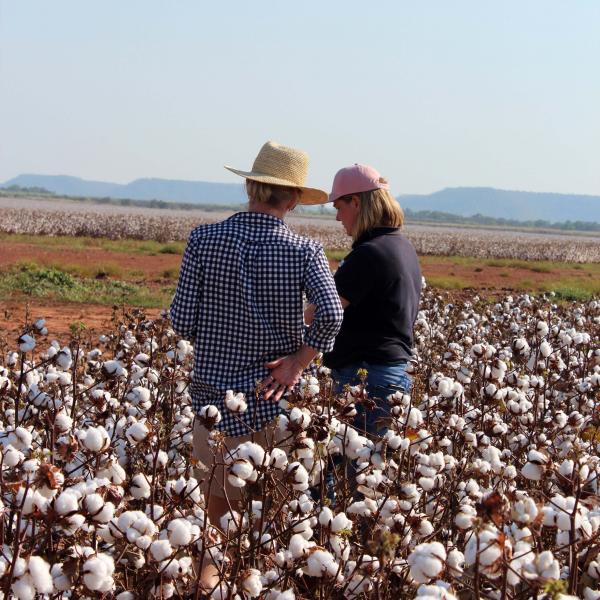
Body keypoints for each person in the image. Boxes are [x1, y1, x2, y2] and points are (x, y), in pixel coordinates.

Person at [169, 141, 343, 543]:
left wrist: (213, 334)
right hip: (273, 402)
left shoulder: (204, 239)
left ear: (250, 188)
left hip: (212, 402)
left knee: (217, 525)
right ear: (295, 200)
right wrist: (297, 363)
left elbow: (180, 319)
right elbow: (332, 313)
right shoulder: (305, 251)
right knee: (270, 523)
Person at [321, 164, 422, 438]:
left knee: (346, 469)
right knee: (370, 471)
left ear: (356, 202)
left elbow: (324, 310)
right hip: (391, 375)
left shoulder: (369, 254)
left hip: (365, 377)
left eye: (339, 207)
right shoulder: (401, 246)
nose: (338, 217)